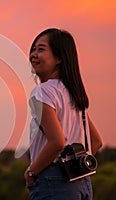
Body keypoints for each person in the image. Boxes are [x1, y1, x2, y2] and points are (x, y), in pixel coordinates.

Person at [24, 28, 103, 199]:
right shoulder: (73, 94)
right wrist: (73, 167)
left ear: (59, 58)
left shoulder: (42, 92)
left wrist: (31, 172)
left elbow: (57, 142)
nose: (33, 55)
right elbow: (96, 142)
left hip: (53, 181)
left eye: (41, 49)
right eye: (33, 49)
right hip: (82, 182)